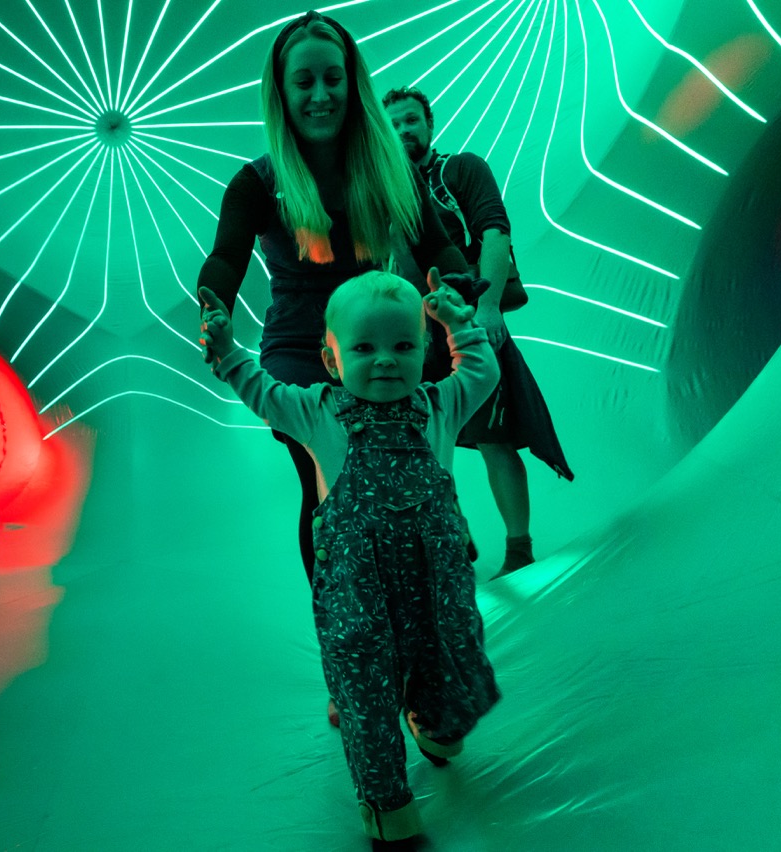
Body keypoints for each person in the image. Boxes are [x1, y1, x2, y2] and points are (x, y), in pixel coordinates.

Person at [196, 10, 473, 727]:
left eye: (332, 78)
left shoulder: (389, 165)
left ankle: (421, 653)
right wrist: (214, 305)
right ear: (281, 94)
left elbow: (440, 242)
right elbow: (226, 255)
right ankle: (349, 659)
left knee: (413, 485)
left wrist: (455, 287)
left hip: (377, 340)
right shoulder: (258, 181)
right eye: (304, 82)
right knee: (332, 498)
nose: (320, 94)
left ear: (352, 85)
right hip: (300, 356)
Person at [200, 270, 502, 850]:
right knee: (365, 694)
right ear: (331, 358)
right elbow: (258, 388)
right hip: (356, 592)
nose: (385, 361)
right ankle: (390, 810)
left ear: (426, 350)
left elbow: (481, 371)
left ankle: (437, 728)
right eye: (364, 347)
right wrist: (225, 346)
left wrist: (461, 323)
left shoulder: (439, 404)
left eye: (404, 345)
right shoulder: (316, 412)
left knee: (444, 660)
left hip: (435, 584)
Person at [383, 85, 574, 578]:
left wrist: (488, 307)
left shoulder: (460, 170)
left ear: (428, 125)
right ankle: (455, 533)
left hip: (467, 318)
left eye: (410, 120)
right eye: (393, 123)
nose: (403, 130)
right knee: (419, 439)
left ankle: (519, 549)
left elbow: (494, 230)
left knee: (495, 435)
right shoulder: (383, 195)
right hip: (417, 333)